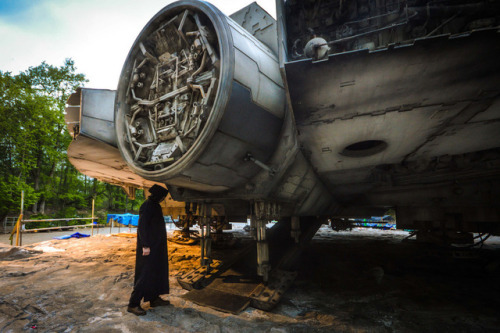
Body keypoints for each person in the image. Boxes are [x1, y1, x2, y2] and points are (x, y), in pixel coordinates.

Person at [127, 184, 171, 316]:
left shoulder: (154, 205)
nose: (163, 199)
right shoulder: (147, 206)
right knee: (145, 274)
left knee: (156, 271)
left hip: (157, 247)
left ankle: (153, 298)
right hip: (149, 247)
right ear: (158, 196)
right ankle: (133, 304)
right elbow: (142, 227)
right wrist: (145, 245)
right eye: (163, 196)